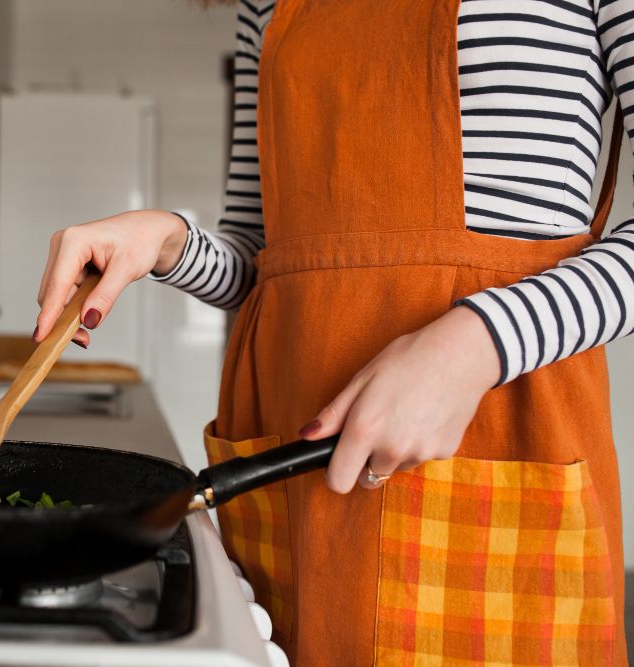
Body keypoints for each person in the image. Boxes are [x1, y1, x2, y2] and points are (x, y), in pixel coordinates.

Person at [33, 0, 633, 664]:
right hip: (292, 457)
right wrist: (169, 242)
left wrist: (480, 342)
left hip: (501, 434)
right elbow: (266, 264)